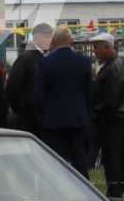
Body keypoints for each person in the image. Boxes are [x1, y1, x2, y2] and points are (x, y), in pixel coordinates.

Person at [35, 27, 93, 176]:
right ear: (71, 41)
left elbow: (40, 93)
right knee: (79, 156)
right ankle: (84, 189)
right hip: (78, 117)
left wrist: (41, 115)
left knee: (55, 157)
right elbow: (88, 92)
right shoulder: (84, 62)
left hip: (53, 119)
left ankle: (57, 188)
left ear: (54, 42)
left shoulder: (45, 63)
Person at [88, 34, 124, 197]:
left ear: (107, 47)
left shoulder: (113, 68)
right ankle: (121, 188)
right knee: (116, 157)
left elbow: (111, 99)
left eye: (97, 47)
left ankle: (115, 191)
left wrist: (96, 112)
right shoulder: (113, 65)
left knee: (113, 158)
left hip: (112, 121)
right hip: (114, 119)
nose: (94, 51)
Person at [6, 24, 52, 137]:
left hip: (44, 116)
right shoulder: (26, 58)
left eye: (50, 36)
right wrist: (22, 108)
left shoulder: (48, 57)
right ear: (36, 38)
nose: (49, 39)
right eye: (45, 36)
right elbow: (12, 87)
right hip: (28, 117)